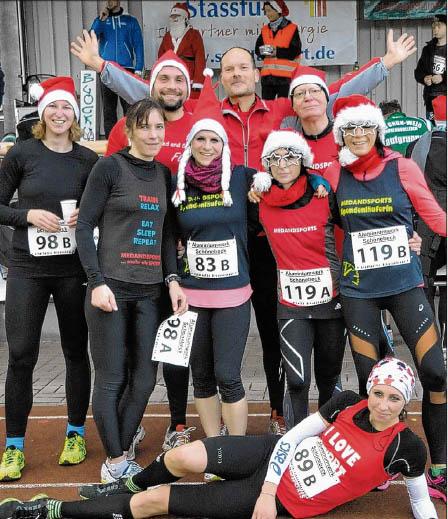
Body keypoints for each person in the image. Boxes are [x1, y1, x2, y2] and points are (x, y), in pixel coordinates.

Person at [70, 28, 416, 434]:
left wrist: (385, 64)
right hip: (209, 239)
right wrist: (102, 67)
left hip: (271, 242)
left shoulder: (283, 110)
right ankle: (178, 423)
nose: (236, 74)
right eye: (228, 69)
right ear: (221, 79)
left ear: (256, 73)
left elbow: (332, 93)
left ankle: (279, 412)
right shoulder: (207, 111)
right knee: (186, 350)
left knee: (273, 333)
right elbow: (155, 91)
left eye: (242, 68)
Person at [1, 357, 440, 519]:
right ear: (369, 391)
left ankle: (49, 510)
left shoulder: (408, 448)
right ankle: (126, 483)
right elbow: (291, 438)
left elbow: (420, 501)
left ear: (406, 403)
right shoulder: (346, 402)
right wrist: (267, 489)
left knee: (156, 503)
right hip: (273, 458)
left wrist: (268, 498)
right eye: (379, 393)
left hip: (288, 500)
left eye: (394, 398)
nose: (383, 405)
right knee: (183, 458)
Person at [71, 46, 197, 453]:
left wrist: (173, 280)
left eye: (159, 127)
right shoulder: (109, 167)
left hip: (149, 293)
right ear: (129, 131)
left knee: (144, 379)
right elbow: (85, 226)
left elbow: (166, 233)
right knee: (112, 379)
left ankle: (121, 450)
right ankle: (115, 458)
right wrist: (96, 282)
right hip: (110, 289)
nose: (154, 134)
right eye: (145, 128)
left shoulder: (163, 174)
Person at [325, 94, 447, 501]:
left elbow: (435, 217)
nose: (358, 134)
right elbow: (313, 218)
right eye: (350, 128)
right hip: (358, 290)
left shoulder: (402, 166)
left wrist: (419, 236)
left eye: (365, 126)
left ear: (377, 130)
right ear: (341, 135)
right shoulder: (333, 173)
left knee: (436, 373)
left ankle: (440, 466)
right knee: (371, 384)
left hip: (404, 285)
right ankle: (379, 460)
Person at [0, 77, 98, 481]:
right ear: (43, 114)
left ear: (75, 114)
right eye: (53, 107)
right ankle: (14, 446)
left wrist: (85, 216)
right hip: (28, 267)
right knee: (22, 354)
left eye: (67, 107)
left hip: (72, 269)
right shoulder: (22, 154)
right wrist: (28, 215)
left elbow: (103, 208)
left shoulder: (88, 160)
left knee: (76, 351)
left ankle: (75, 434)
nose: (60, 114)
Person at [171, 71, 255, 448]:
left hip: (233, 294)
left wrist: (316, 183)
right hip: (192, 295)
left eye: (214, 139)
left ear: (224, 144)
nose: (207, 146)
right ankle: (213, 449)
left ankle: (234, 451)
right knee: (201, 377)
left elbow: (290, 186)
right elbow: (167, 235)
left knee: (228, 375)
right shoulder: (178, 184)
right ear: (191, 142)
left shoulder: (241, 178)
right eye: (200, 139)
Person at [251, 130, 345, 427]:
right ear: (266, 164)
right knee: (297, 380)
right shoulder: (258, 200)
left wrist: (409, 238)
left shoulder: (323, 193)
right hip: (291, 305)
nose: (282, 164)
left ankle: (328, 439)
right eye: (274, 158)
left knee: (329, 378)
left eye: (290, 156)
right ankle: (295, 440)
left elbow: (358, 225)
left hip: (331, 303)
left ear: (303, 160)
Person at [406, 95, 447, 350]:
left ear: (431, 117)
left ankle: (430, 340)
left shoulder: (416, 146)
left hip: (424, 221)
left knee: (424, 281)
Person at [90, 0, 144, 137]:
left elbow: (138, 45)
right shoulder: (101, 20)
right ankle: (110, 141)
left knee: (129, 109)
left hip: (126, 69)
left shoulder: (130, 20)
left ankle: (130, 141)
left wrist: (138, 68)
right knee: (108, 109)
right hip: (106, 69)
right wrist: (101, 20)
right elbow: (91, 36)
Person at [157, 2, 206, 99]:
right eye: (172, 16)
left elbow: (200, 59)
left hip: (189, 78)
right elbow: (160, 58)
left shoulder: (194, 35)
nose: (174, 18)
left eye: (177, 16)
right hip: (171, 78)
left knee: (189, 104)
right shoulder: (167, 36)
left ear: (185, 18)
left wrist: (198, 82)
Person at [255, 1, 301, 100]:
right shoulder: (265, 29)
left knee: (283, 107)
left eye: (269, 11)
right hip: (267, 78)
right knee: (267, 107)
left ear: (278, 11)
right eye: (266, 11)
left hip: (285, 77)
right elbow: (257, 50)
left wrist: (274, 51)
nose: (267, 14)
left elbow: (294, 51)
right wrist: (272, 51)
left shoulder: (292, 28)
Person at [414, 14, 447, 122]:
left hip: (446, 98)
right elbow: (418, 72)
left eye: (439, 26)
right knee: (433, 127)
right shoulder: (427, 49)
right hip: (431, 99)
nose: (435, 29)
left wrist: (443, 77)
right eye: (433, 26)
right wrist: (424, 78)